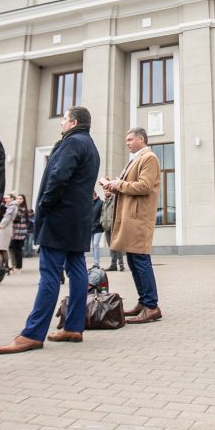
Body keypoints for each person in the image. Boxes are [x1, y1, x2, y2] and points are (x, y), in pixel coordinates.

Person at [0, 106, 100, 354]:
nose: (60, 123)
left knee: (50, 273)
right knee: (76, 269)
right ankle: (73, 327)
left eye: (63, 119)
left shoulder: (72, 143)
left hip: (59, 217)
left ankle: (32, 334)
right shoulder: (90, 146)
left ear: (73, 122)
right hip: (77, 219)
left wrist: (45, 203)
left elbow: (58, 176)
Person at [100, 127, 162, 324]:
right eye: (126, 140)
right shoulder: (136, 159)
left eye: (130, 139)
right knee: (134, 260)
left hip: (139, 218)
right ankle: (144, 302)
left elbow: (144, 186)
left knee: (141, 260)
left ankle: (152, 306)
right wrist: (113, 186)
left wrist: (119, 185)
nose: (127, 143)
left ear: (141, 139)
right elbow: (130, 186)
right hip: (131, 217)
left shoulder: (149, 158)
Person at [101, 189, 123, 271]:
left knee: (117, 245)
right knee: (111, 247)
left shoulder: (115, 200)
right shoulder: (104, 201)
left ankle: (121, 264)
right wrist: (102, 221)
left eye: (107, 191)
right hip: (106, 226)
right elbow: (103, 213)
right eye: (105, 191)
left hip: (114, 226)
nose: (106, 192)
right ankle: (113, 265)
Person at [0, 193, 17, 273]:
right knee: (1, 248)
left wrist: (0, 226)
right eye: (5, 198)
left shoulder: (12, 206)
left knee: (2, 248)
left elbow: (7, 217)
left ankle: (6, 267)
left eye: (7, 198)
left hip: (5, 227)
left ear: (11, 198)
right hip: (5, 227)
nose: (6, 199)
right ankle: (3, 267)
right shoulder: (9, 206)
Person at [9, 194, 30, 270]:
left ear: (23, 200)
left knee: (17, 248)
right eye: (17, 198)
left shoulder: (22, 209)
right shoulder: (16, 207)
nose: (18, 200)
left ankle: (18, 265)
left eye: (20, 198)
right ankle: (16, 265)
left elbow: (15, 217)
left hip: (20, 231)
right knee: (15, 247)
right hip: (16, 230)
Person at [89, 190, 104, 269]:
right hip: (91, 228)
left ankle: (96, 264)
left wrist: (98, 224)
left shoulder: (101, 203)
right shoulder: (90, 203)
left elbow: (103, 216)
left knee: (95, 244)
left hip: (98, 228)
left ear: (94, 194)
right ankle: (95, 263)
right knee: (93, 246)